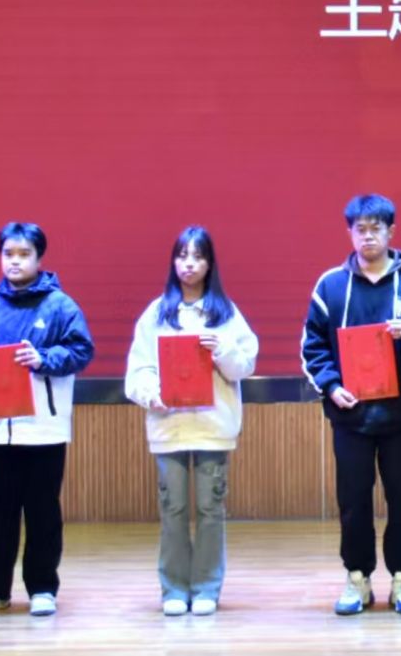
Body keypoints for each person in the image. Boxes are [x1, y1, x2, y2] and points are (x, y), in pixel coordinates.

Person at [300, 193, 401, 616]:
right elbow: (312, 347)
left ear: (391, 232)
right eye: (360, 229)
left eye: (376, 229)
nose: (368, 237)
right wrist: (332, 387)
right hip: (350, 416)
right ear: (349, 233)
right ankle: (357, 578)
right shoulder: (330, 285)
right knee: (353, 502)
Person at [0, 221, 96, 618]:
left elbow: (82, 351)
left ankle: (43, 588)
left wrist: (43, 359)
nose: (15, 261)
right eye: (8, 254)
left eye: (24, 254)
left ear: (39, 258)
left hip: (45, 429)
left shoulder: (61, 306)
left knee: (43, 512)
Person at [124, 225, 260, 616]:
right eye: (182, 256)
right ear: (173, 261)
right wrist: (151, 393)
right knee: (173, 510)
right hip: (169, 426)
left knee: (210, 509)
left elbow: (244, 366)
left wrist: (223, 349)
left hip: (212, 428)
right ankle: (173, 590)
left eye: (198, 257)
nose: (189, 264)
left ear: (210, 264)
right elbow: (139, 369)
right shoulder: (156, 314)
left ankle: (206, 589)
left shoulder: (226, 314)